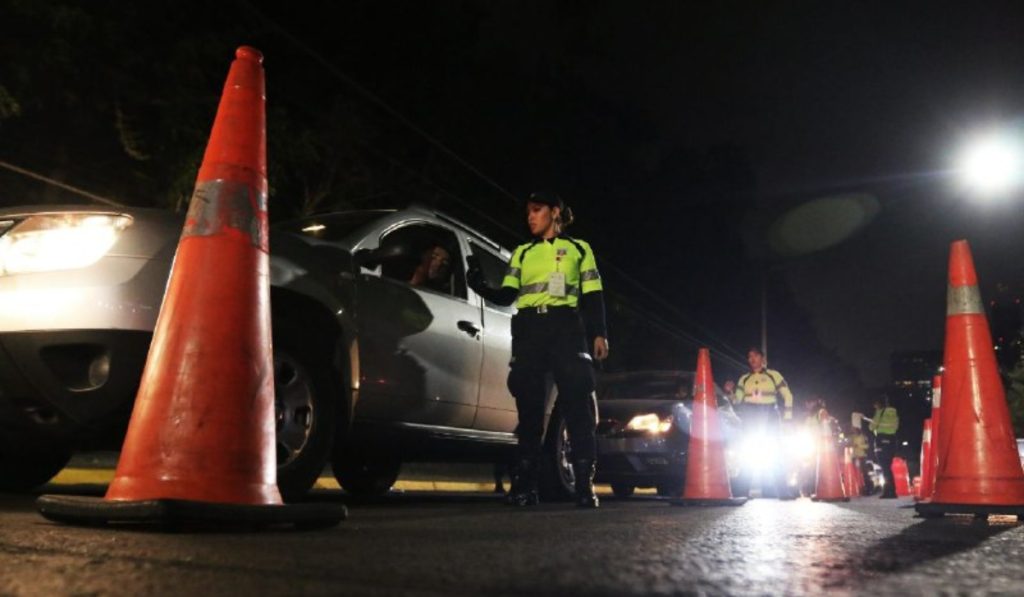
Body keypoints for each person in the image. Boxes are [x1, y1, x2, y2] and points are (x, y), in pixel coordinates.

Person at [466, 191, 609, 508]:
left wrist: (599, 334)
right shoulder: (521, 252)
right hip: (530, 331)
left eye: (536, 210)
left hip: (566, 330)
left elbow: (593, 295)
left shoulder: (579, 249)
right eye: (528, 211)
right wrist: (480, 285)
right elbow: (506, 296)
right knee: (529, 411)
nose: (530, 217)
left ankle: (584, 487)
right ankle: (525, 487)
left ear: (554, 213)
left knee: (577, 407)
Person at [733, 347, 795, 498]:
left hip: (769, 415)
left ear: (762, 358)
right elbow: (737, 400)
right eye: (749, 357)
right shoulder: (744, 379)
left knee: (775, 452)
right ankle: (741, 492)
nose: (752, 359)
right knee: (747, 451)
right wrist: (730, 392)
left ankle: (782, 491)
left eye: (755, 356)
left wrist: (787, 419)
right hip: (750, 416)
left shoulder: (773, 375)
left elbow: (788, 396)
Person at [870, 395, 900, 498]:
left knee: (884, 467)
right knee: (888, 467)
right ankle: (891, 491)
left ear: (879, 404)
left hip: (881, 440)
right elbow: (896, 427)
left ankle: (889, 492)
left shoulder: (880, 412)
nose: (874, 406)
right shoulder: (894, 413)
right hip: (892, 440)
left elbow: (872, 427)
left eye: (875, 404)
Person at [850, 426, 871, 495]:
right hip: (854, 457)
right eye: (853, 430)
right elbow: (850, 444)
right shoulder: (853, 437)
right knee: (856, 473)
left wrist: (859, 446)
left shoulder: (863, 437)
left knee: (864, 473)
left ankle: (868, 488)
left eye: (855, 430)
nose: (854, 431)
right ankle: (858, 487)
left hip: (862, 456)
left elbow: (867, 446)